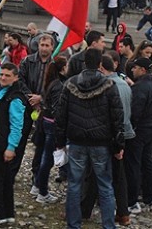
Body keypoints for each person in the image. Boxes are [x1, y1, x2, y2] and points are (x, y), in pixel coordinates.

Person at [55, 48, 125, 229]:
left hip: (77, 141)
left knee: (74, 184)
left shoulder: (70, 84)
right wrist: (119, 145)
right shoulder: (109, 86)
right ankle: (108, 225)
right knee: (105, 186)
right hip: (101, 143)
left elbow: (61, 115)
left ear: (84, 62)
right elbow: (117, 117)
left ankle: (73, 224)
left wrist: (60, 142)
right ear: (100, 64)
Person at [0, 32, 31, 226]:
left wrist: (11, 147)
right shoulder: (1, 87)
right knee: (5, 179)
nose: (2, 77)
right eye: (2, 75)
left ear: (15, 78)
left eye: (7, 76)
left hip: (2, 143)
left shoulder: (15, 98)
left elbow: (17, 126)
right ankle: (7, 213)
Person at [125, 57, 152, 215]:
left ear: (142, 69)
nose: (132, 70)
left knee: (134, 164)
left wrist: (132, 126)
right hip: (151, 127)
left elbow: (134, 112)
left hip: (138, 129)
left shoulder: (139, 88)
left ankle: (133, 201)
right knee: (148, 162)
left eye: (134, 68)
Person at [100, 54, 134, 226]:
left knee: (96, 173)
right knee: (119, 176)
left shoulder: (108, 86)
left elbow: (112, 115)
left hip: (111, 136)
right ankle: (123, 213)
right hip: (124, 134)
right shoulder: (126, 85)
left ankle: (85, 209)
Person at [20, 34, 55, 194]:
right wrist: (31, 99)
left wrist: (41, 98)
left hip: (45, 109)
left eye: (47, 45)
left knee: (40, 144)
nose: (44, 48)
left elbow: (57, 86)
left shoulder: (55, 65)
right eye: (42, 45)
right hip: (28, 106)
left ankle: (37, 175)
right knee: (21, 138)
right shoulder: (28, 61)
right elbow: (20, 81)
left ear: (52, 47)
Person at [34, 56, 67, 204]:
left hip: (44, 121)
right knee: (47, 160)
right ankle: (42, 192)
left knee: (42, 156)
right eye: (66, 66)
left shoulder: (50, 83)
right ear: (62, 69)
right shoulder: (59, 86)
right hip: (52, 125)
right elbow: (57, 109)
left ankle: (37, 186)